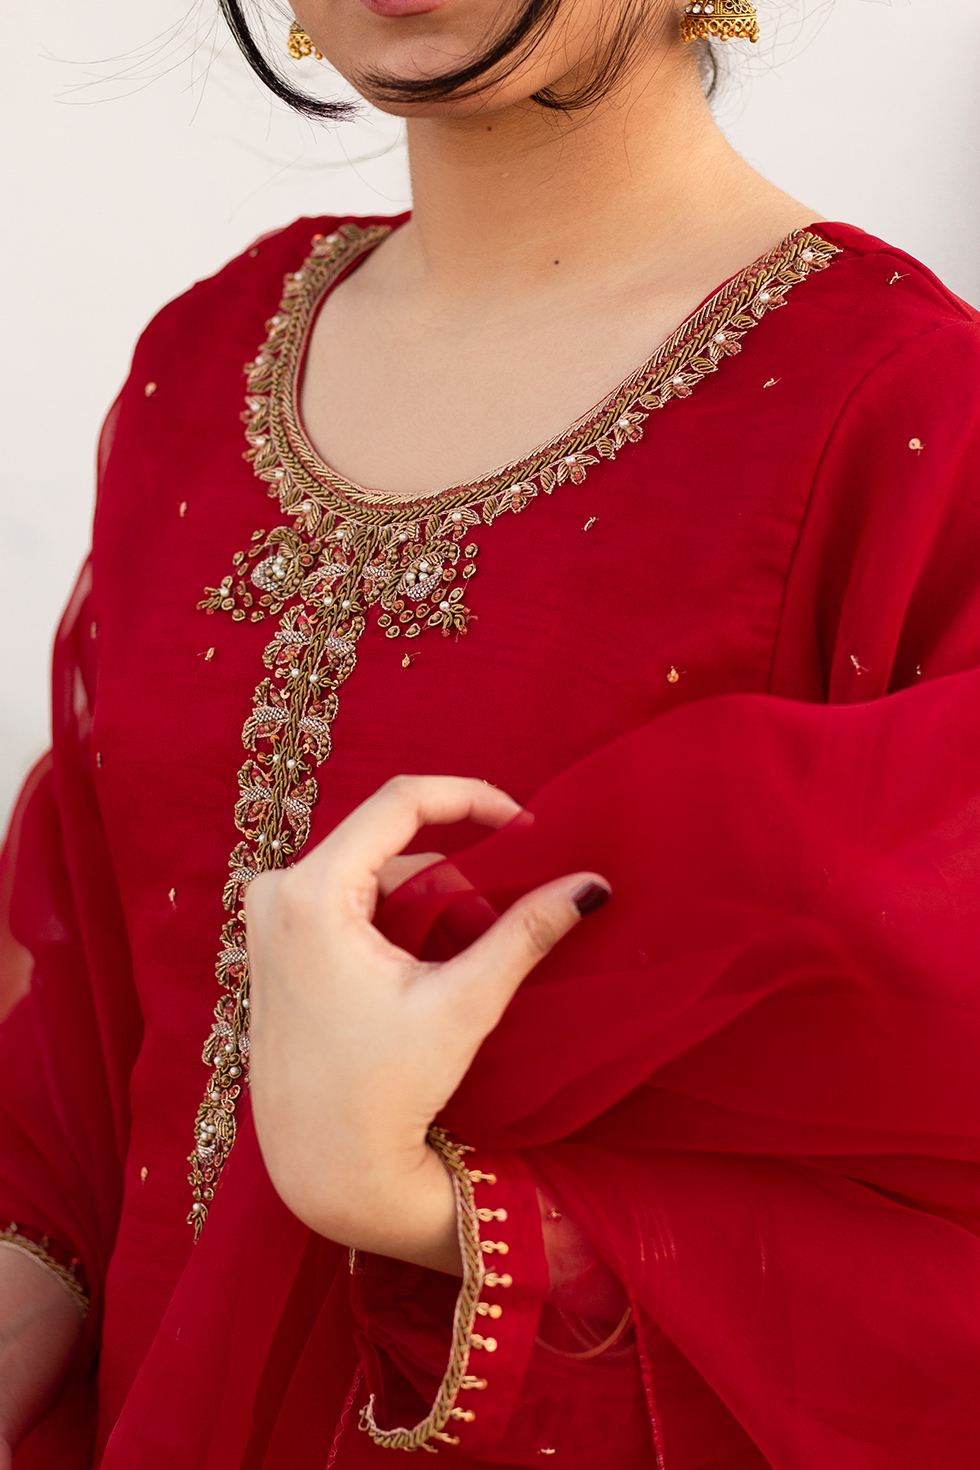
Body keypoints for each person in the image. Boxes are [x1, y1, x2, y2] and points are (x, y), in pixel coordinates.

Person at [2, 0, 980, 1462]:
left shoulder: (907, 415)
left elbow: (932, 1232)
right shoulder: (201, 364)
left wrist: (416, 1206)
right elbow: (82, 1043)